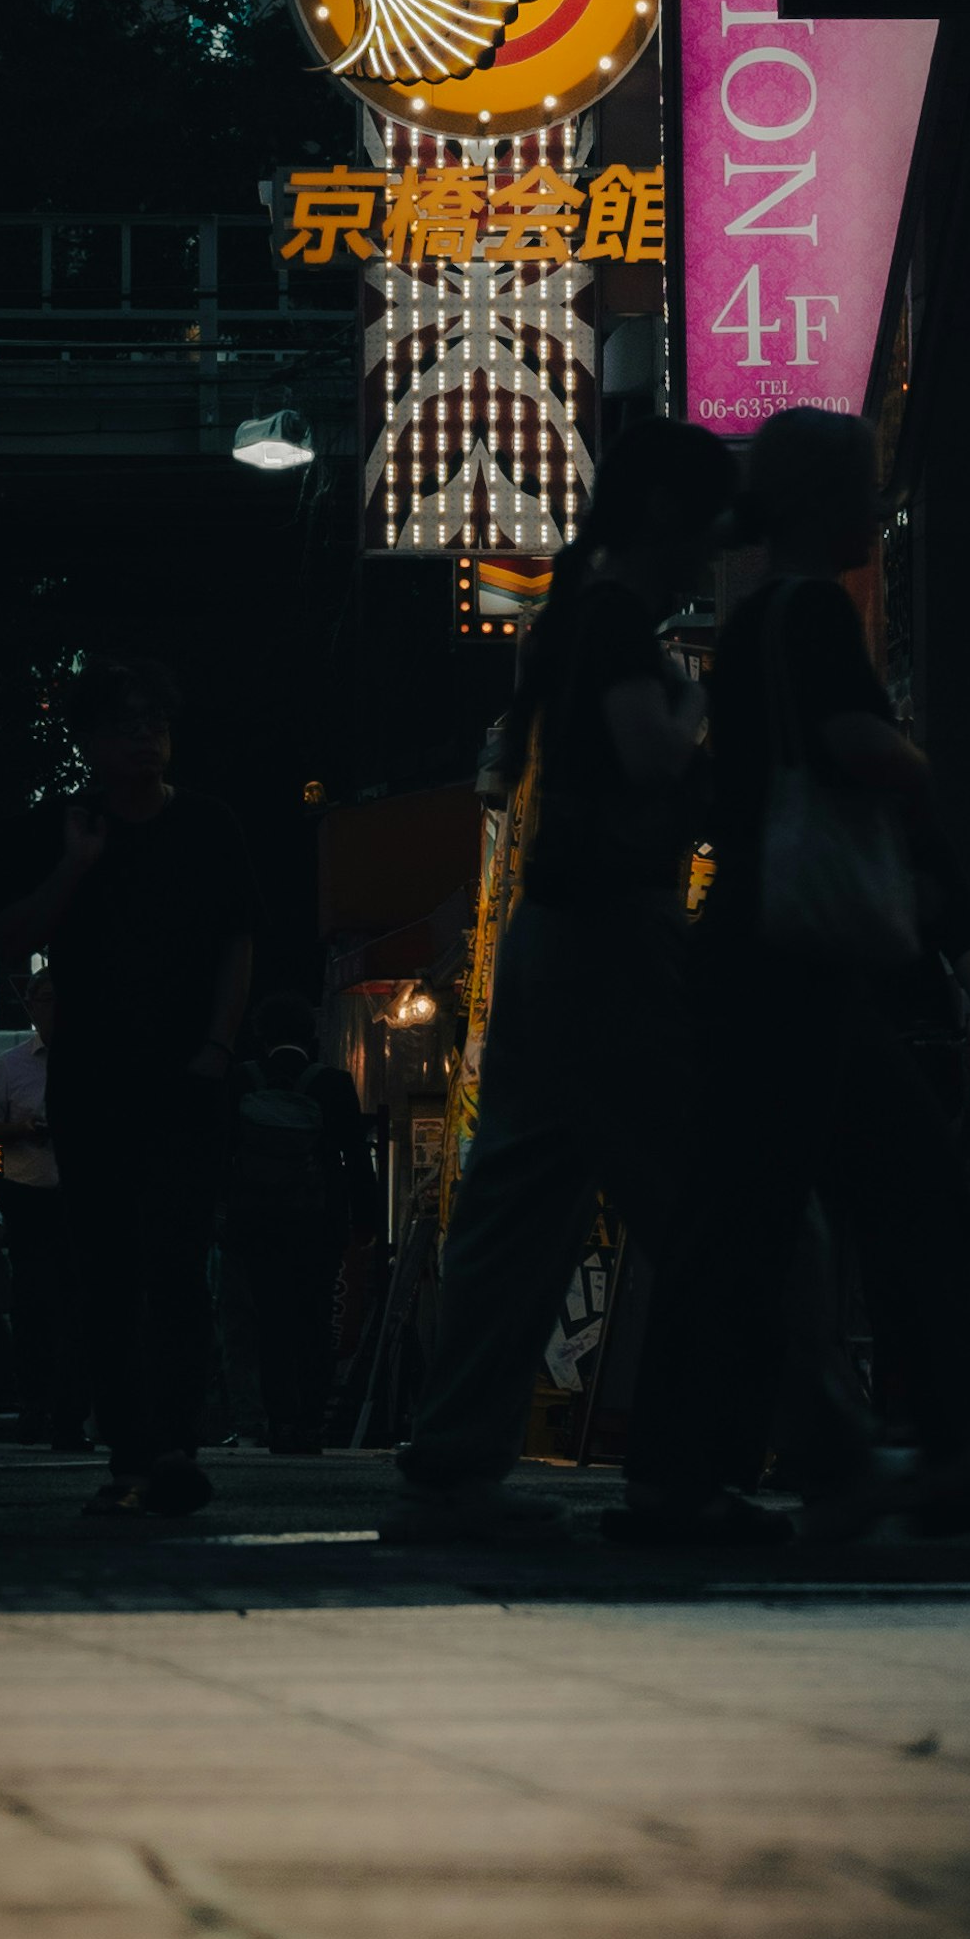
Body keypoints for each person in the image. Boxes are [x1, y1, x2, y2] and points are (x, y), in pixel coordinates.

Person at [384, 419, 758, 1548]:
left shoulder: (577, 616)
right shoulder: (613, 621)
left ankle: (453, 1462)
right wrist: (707, 712)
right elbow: (652, 760)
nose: (710, 554)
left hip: (558, 938)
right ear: (664, 516)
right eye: (705, 529)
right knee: (694, 1200)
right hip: (612, 938)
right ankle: (695, 1469)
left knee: (519, 1208)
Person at [688, 408, 970, 1535]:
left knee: (761, 1218)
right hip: (798, 962)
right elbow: (858, 749)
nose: (878, 505)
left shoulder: (751, 622)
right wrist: (913, 763)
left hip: (757, 952)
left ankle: (712, 1463)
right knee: (905, 1193)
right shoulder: (811, 616)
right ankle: (943, 1452)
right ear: (820, 501)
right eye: (865, 484)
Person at [4, 670, 255, 1523]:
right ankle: (128, 1453)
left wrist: (219, 1044)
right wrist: (76, 867)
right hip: (93, 1079)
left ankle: (175, 1444)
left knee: (179, 1263)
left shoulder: (209, 825)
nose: (144, 739)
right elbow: (18, 934)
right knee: (107, 1269)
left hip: (185, 1079)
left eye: (155, 723)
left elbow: (237, 938)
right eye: (124, 725)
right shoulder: (69, 825)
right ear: (90, 744)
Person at [221, 1006, 369, 1456]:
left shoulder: (242, 1079)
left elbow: (219, 1150)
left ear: (261, 1035)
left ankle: (280, 1422)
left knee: (270, 1322)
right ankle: (310, 1425)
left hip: (258, 1222)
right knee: (314, 1321)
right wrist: (362, 1221)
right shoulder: (333, 1083)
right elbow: (356, 1159)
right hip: (316, 1224)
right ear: (312, 1037)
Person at [0, 977, 84, 1445]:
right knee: (35, 1303)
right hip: (29, 1198)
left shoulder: (91, 1062)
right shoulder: (9, 1064)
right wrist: (18, 1130)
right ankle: (36, 1404)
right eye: (46, 998)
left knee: (77, 1306)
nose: (54, 1009)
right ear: (32, 1007)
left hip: (78, 1201)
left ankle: (71, 1412)